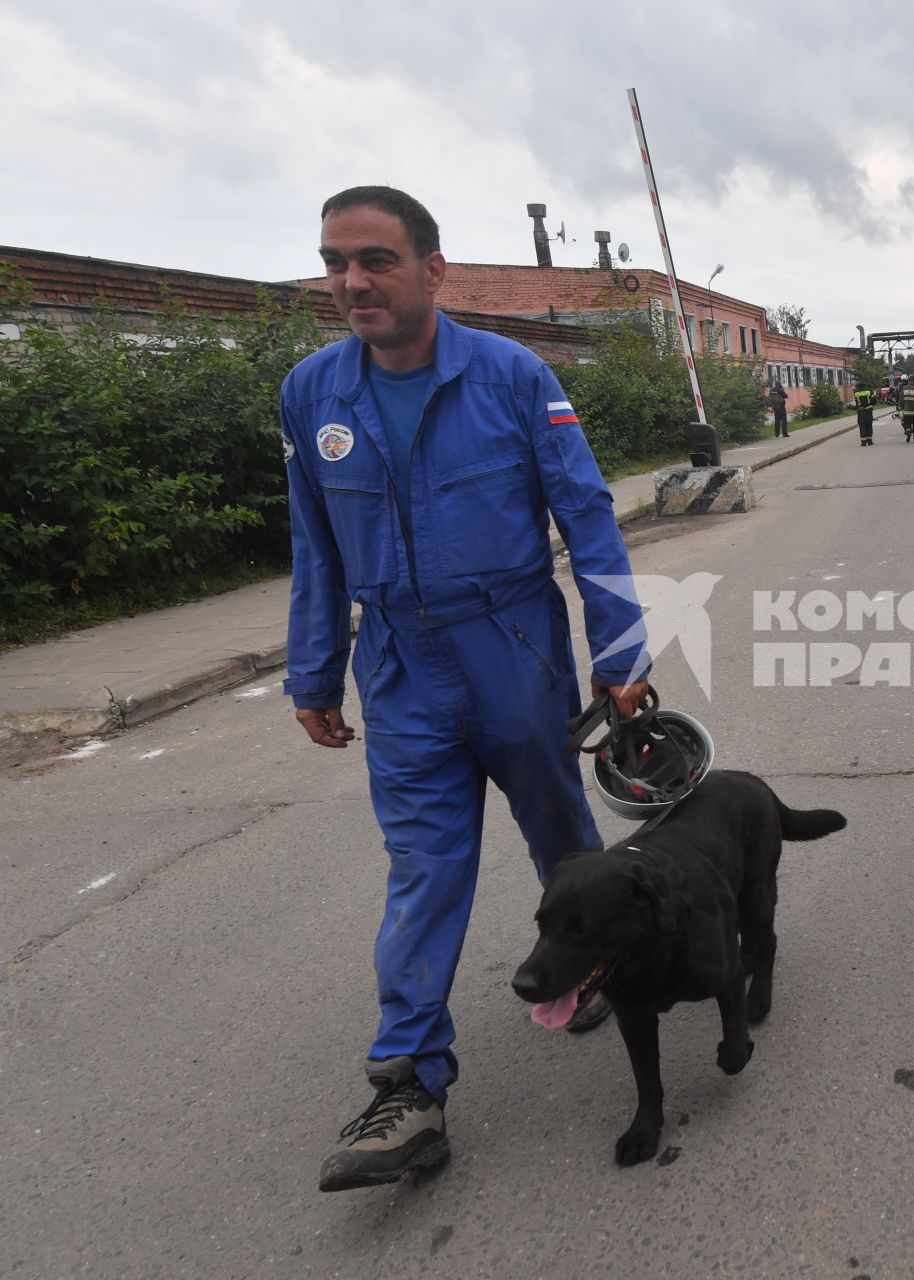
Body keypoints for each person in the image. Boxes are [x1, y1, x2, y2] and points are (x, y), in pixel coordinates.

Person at [281, 186, 652, 1192]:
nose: (352, 281)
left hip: (512, 647)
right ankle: (408, 1084)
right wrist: (313, 668)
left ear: (432, 268)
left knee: (562, 843)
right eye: (335, 261)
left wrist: (620, 649)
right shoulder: (313, 394)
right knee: (423, 867)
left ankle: (594, 966)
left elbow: (588, 515)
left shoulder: (513, 377)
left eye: (375, 260)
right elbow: (312, 546)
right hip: (398, 666)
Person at [897, 378, 914, 443]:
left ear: (908, 381)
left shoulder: (904, 389)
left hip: (906, 411)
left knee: (906, 423)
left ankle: (908, 430)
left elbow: (901, 399)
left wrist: (900, 407)